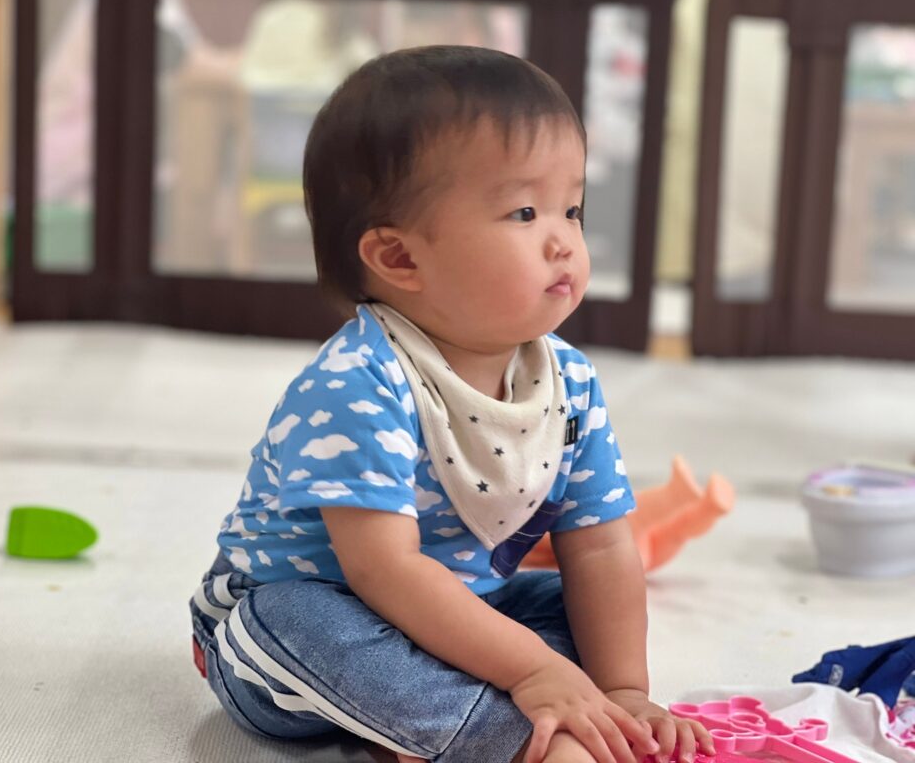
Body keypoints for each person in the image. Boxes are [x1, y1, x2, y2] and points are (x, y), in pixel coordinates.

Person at [189, 45, 716, 763]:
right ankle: (508, 738)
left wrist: (623, 690)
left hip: (463, 615)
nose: (565, 241)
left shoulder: (570, 383)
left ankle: (438, 723)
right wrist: (533, 673)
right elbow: (384, 571)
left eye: (571, 209)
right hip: (297, 638)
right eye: (525, 212)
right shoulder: (358, 382)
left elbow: (598, 544)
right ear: (400, 259)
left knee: (569, 608)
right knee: (292, 616)